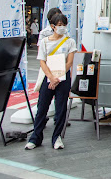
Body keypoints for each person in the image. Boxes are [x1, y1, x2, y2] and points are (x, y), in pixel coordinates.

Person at [25, 13, 77, 150]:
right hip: (47, 78)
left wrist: (58, 77)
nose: (62, 28)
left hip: (63, 79)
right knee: (42, 108)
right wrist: (51, 77)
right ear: (53, 26)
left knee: (60, 109)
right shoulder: (45, 42)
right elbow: (42, 62)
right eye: (59, 25)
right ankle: (36, 137)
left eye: (64, 25)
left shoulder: (70, 41)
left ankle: (57, 137)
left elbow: (69, 62)